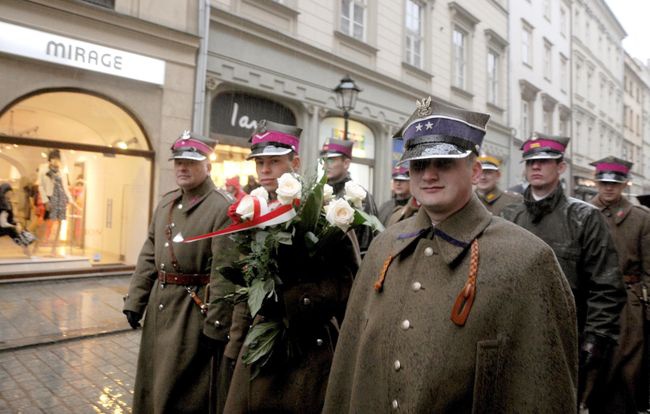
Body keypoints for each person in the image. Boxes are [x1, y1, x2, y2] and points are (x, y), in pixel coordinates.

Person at [323, 97, 578, 413]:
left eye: (444, 162)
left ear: (474, 171)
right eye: (418, 164)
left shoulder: (526, 260)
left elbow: (543, 390)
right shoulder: (385, 246)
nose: (428, 175)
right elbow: (349, 364)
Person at [224, 120, 360, 413]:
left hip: (311, 348)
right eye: (260, 162)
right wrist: (235, 344)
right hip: (260, 345)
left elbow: (351, 287)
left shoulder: (327, 215)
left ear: (295, 162)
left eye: (274, 161)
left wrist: (303, 299)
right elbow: (246, 286)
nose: (265, 170)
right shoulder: (253, 213)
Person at [500, 132, 626, 410]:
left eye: (544, 161)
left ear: (561, 167)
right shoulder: (509, 217)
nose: (535, 167)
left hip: (568, 337)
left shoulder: (584, 217)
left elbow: (607, 286)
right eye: (531, 161)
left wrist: (594, 339)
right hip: (513, 335)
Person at [122, 130, 238, 414]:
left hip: (193, 312)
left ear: (207, 165)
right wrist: (135, 301)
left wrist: (216, 325)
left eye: (191, 162)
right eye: (178, 162)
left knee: (183, 392)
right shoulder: (166, 203)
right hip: (160, 309)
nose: (182, 168)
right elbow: (149, 254)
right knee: (153, 382)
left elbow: (225, 272)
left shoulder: (221, 207)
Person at [587, 156, 650, 413]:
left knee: (628, 372)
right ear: (596, 183)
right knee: (593, 369)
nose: (608, 188)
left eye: (615, 183)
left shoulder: (642, 218)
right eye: (603, 183)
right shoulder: (582, 213)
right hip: (592, 303)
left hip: (629, 305)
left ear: (625, 184)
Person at [321, 138, 378, 255]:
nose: (326, 165)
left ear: (346, 163)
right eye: (324, 160)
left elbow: (366, 243)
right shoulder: (321, 192)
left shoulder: (359, 195)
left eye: (331, 160)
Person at [37, 149, 79, 257]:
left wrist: (71, 200)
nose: (56, 162)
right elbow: (41, 186)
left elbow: (65, 187)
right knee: (46, 222)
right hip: (50, 197)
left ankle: (54, 249)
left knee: (60, 223)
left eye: (58, 159)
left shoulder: (61, 172)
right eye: (54, 159)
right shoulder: (43, 169)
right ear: (50, 159)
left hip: (60, 198)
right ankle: (36, 247)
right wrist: (45, 200)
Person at [0, 183, 35, 257]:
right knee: (13, 231)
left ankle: (26, 250)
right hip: (2, 226)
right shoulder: (3, 205)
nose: (11, 194)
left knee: (16, 231)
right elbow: (3, 223)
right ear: (5, 192)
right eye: (9, 192)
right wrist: (14, 226)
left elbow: (10, 218)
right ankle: (27, 251)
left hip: (4, 226)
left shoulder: (8, 203)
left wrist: (17, 222)